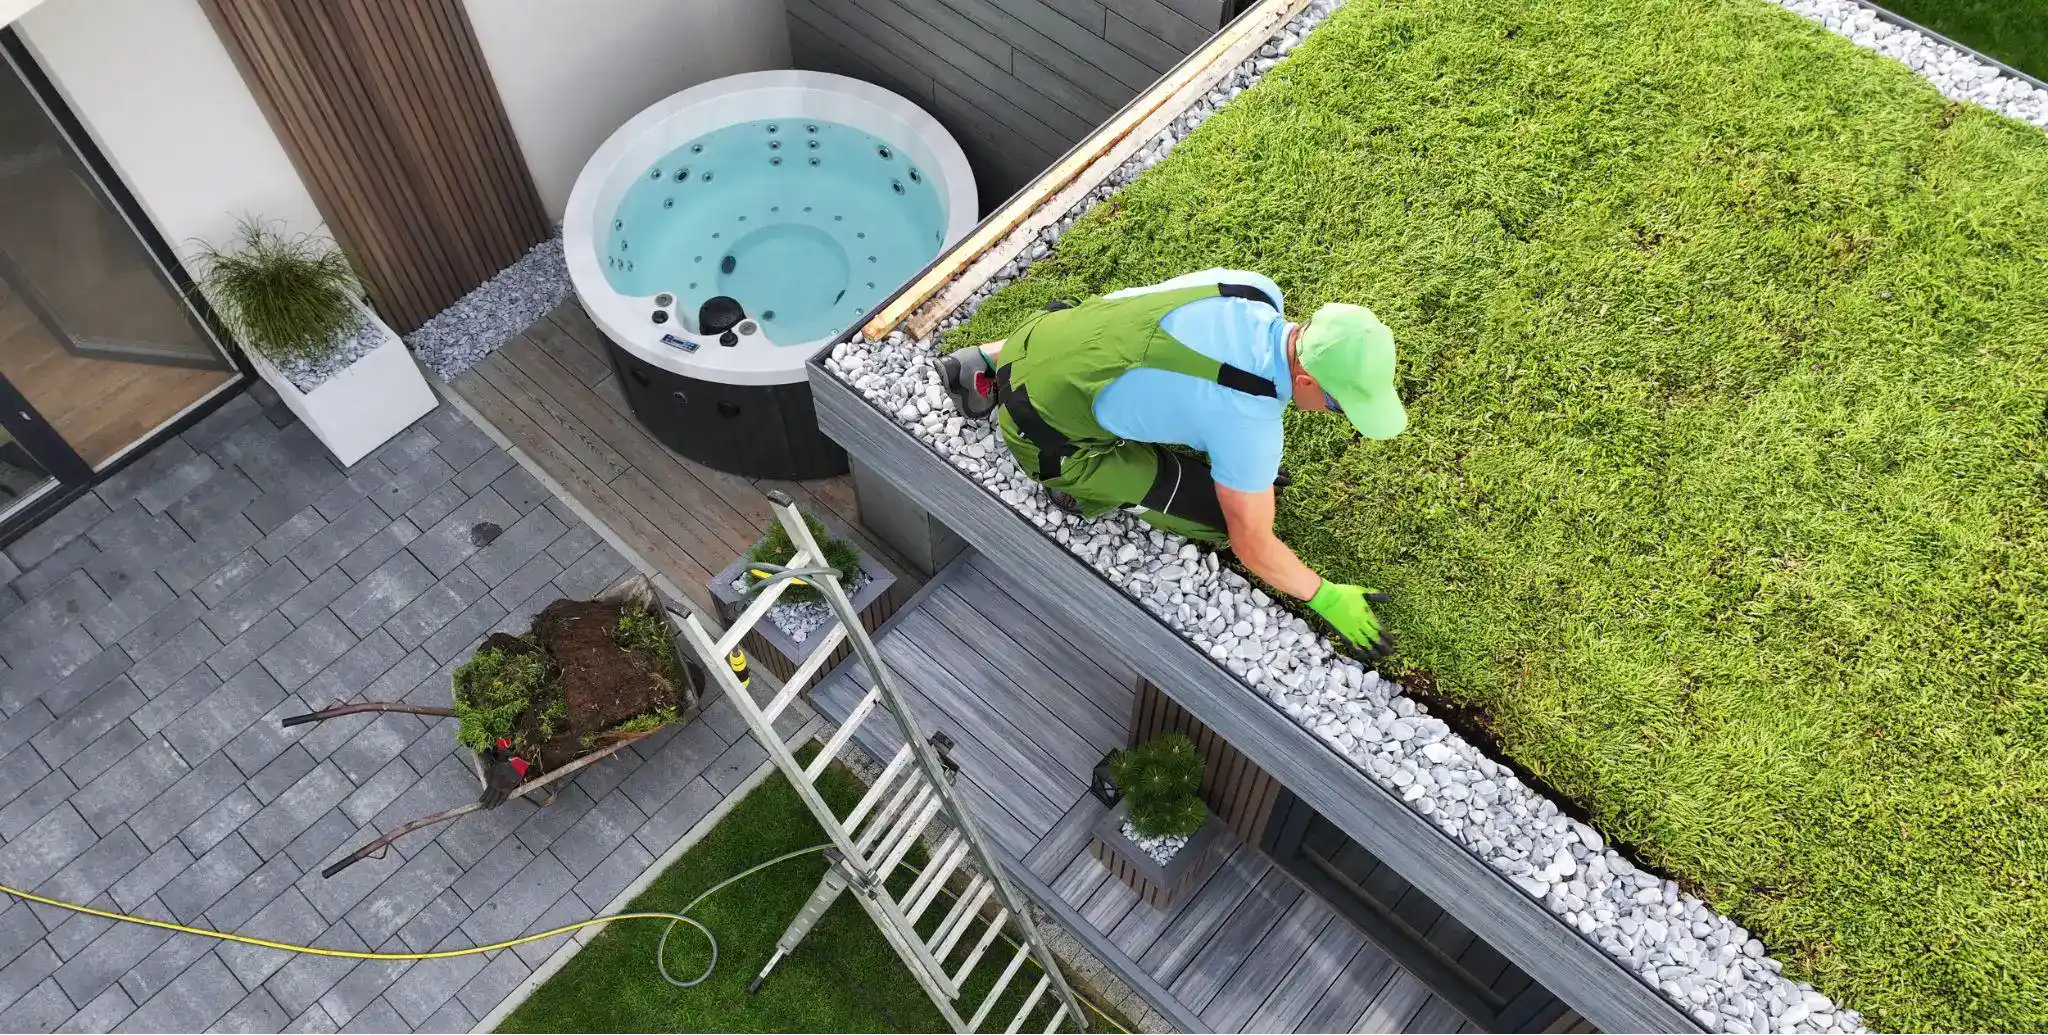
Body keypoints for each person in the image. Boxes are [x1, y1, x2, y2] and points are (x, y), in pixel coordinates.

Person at [933, 269, 1407, 656]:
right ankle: (1080, 487)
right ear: (1305, 381)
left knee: (1106, 338)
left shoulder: (1253, 290)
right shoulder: (1250, 425)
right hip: (1040, 433)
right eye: (1337, 405)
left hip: (1040, 336)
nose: (1333, 412)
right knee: (1218, 519)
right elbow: (1252, 544)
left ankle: (978, 364)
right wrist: (1325, 596)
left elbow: (1123, 308)